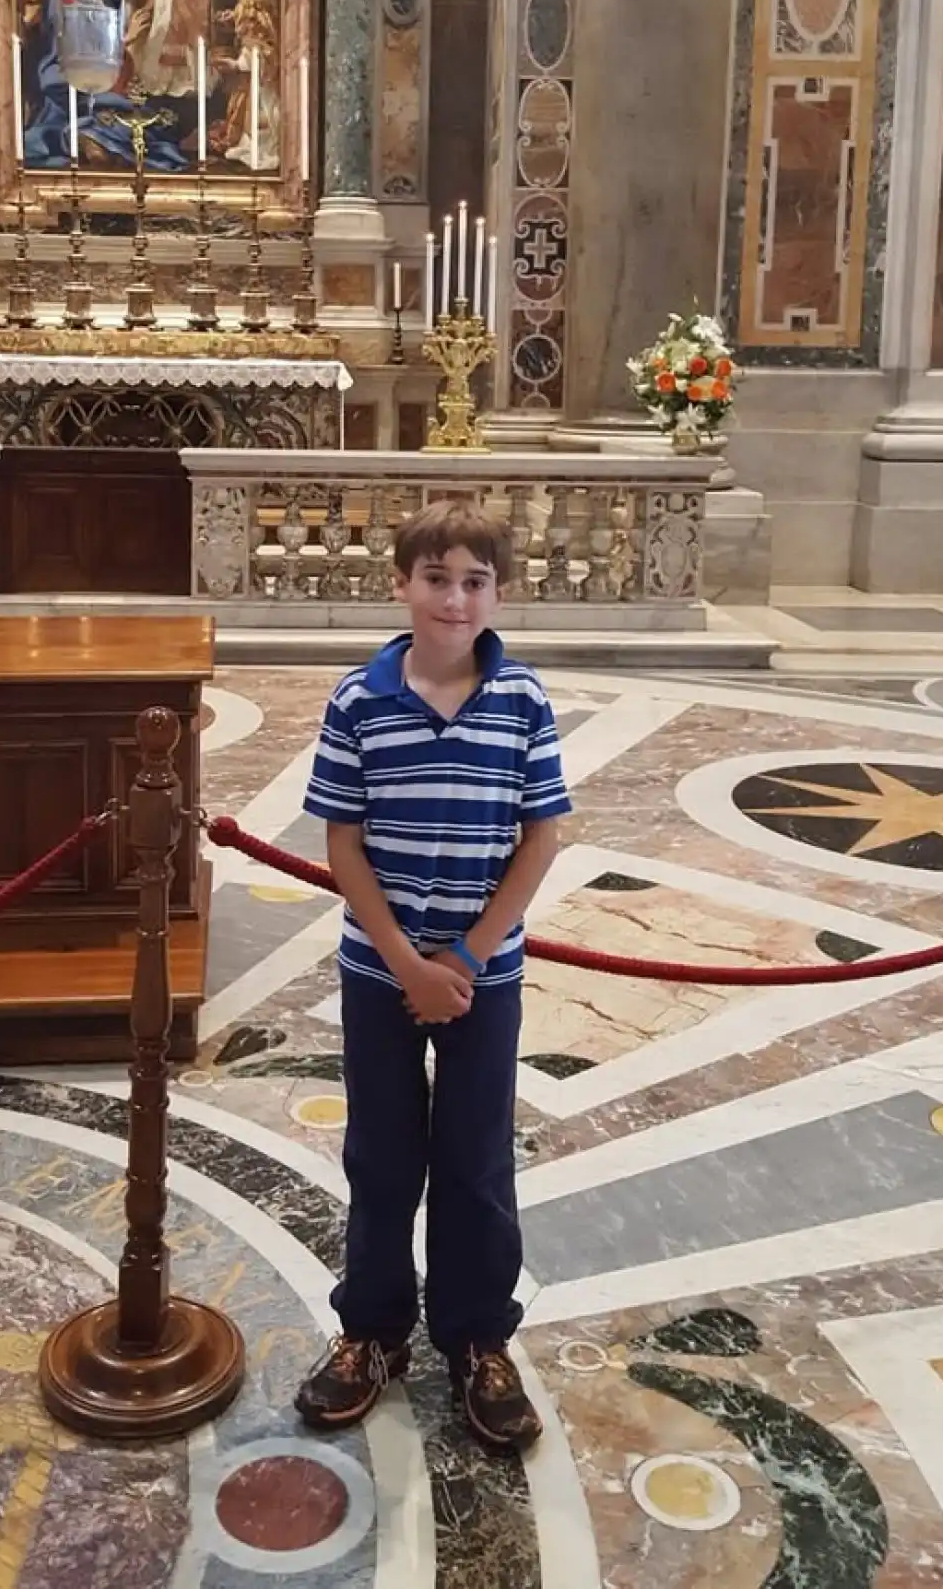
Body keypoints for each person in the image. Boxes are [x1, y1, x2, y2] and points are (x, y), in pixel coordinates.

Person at [294, 502, 571, 1452]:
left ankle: (477, 1337)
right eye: (438, 578)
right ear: (401, 584)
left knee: (476, 1158)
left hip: (482, 978)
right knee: (380, 1153)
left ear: (500, 592)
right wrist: (409, 960)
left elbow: (542, 836)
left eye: (475, 581)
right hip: (381, 970)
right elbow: (342, 838)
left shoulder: (524, 700)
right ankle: (371, 1329)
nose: (456, 598)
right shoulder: (359, 699)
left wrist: (466, 957)